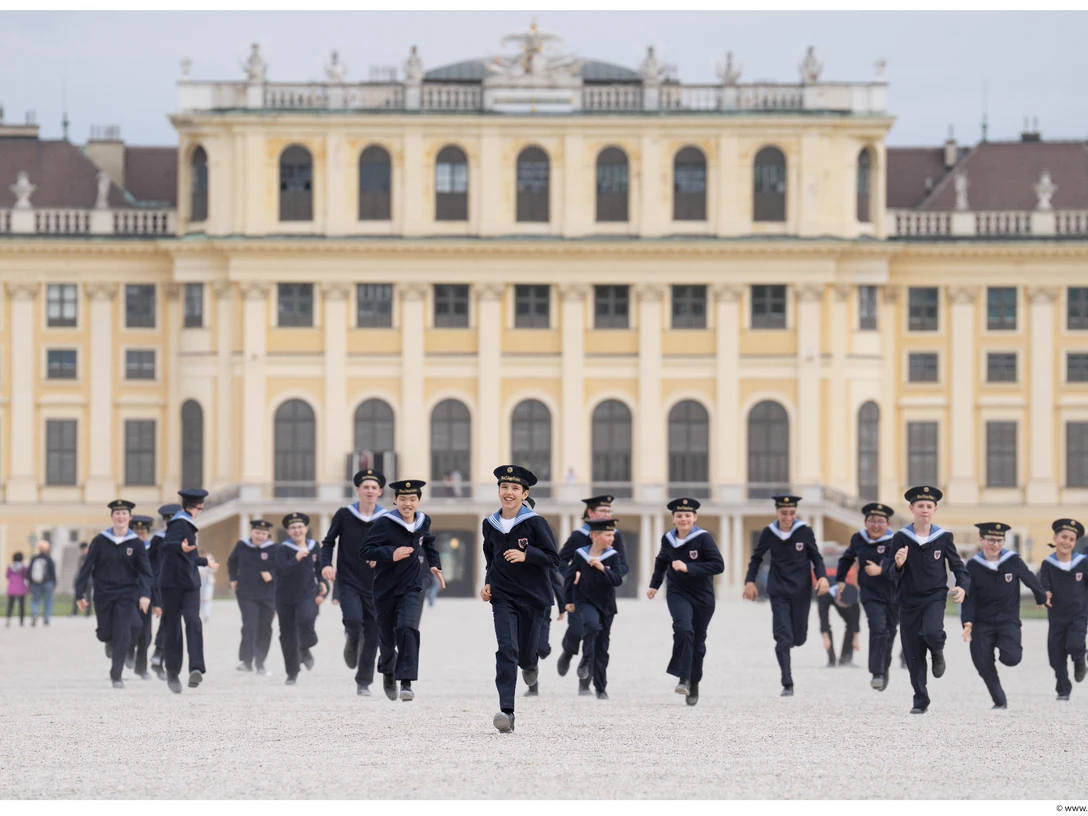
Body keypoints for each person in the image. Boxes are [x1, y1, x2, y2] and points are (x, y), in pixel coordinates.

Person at [480, 466, 560, 732]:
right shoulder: (489, 524)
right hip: (503, 597)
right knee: (506, 650)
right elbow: (490, 560)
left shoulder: (535, 523)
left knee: (524, 656)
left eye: (515, 489)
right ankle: (507, 711)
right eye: (504, 487)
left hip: (533, 598)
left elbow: (553, 558)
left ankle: (531, 663)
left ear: (524, 494)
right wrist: (488, 584)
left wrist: (528, 555)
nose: (509, 493)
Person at [887, 485, 969, 714]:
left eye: (929, 506)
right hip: (908, 600)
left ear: (935, 510)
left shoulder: (943, 537)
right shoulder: (901, 537)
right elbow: (889, 572)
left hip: (934, 597)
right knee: (913, 653)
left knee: (931, 633)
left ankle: (937, 651)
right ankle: (920, 700)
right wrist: (898, 563)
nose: (924, 510)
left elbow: (957, 566)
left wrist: (962, 586)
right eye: (920, 506)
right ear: (911, 508)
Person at [361, 480, 444, 703]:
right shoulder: (383, 523)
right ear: (395, 500)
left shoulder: (423, 520)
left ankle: (406, 681)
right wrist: (391, 553)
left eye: (413, 499)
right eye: (403, 499)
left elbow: (428, 542)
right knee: (387, 640)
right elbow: (365, 550)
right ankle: (388, 670)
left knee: (408, 628)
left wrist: (435, 564)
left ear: (418, 501)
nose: (408, 504)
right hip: (385, 589)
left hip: (412, 586)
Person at [743, 495, 830, 696]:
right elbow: (756, 559)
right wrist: (749, 582)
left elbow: (816, 557)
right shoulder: (769, 532)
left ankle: (790, 640)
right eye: (784, 513)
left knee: (799, 638)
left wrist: (822, 577)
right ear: (777, 513)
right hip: (778, 589)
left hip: (801, 590)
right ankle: (787, 682)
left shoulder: (805, 532)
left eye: (791, 513)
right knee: (783, 637)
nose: (788, 517)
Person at [961, 521, 1047, 709]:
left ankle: (1004, 650)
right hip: (982, 622)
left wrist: (1040, 597)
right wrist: (967, 622)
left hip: (1007, 620)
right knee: (982, 663)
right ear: (981, 540)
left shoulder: (1012, 560)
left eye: (1000, 540)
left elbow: (1029, 577)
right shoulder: (973, 566)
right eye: (991, 540)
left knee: (1011, 658)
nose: (996, 545)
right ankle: (999, 700)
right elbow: (970, 598)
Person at [647, 497, 724, 706]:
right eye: (679, 516)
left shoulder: (704, 539)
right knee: (683, 629)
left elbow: (718, 565)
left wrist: (690, 567)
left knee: (698, 643)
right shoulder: (668, 539)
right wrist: (654, 585)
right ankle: (683, 678)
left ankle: (694, 682)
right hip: (677, 592)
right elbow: (662, 561)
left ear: (695, 518)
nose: (683, 519)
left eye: (688, 515)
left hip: (703, 596)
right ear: (673, 518)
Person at [321, 468, 386, 696]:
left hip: (378, 584)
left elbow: (395, 547)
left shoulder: (387, 518)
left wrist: (382, 557)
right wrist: (326, 565)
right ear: (358, 490)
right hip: (348, 579)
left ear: (380, 492)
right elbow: (328, 542)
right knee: (354, 621)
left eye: (373, 488)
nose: (369, 491)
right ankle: (351, 639)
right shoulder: (344, 514)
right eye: (365, 487)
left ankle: (363, 682)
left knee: (374, 632)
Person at [74, 500, 152, 688]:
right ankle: (108, 641)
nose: (121, 517)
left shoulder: (136, 543)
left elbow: (145, 571)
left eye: (124, 514)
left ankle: (116, 675)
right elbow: (86, 568)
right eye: (117, 514)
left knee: (124, 631)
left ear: (130, 517)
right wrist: (79, 594)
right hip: (103, 593)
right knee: (105, 633)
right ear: (112, 517)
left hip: (127, 593)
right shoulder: (100, 541)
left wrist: (144, 594)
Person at [555, 495, 629, 684]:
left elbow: (623, 565)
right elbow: (561, 560)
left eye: (608, 511)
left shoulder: (614, 536)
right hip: (580, 593)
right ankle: (569, 651)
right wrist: (573, 575)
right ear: (590, 513)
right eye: (602, 511)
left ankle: (585, 681)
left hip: (602, 594)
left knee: (595, 633)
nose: (606, 514)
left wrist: (611, 572)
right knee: (578, 630)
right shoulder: (578, 536)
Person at [158, 488, 217, 694]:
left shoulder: (187, 523)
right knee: (174, 627)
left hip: (190, 584)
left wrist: (203, 561)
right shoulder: (178, 522)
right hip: (172, 585)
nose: (197, 509)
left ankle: (195, 668)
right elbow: (167, 546)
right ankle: (173, 673)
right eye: (196, 506)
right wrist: (179, 548)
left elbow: (188, 556)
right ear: (193, 507)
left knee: (193, 621)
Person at [835, 502, 898, 691]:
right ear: (865, 522)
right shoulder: (859, 539)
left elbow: (901, 564)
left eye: (880, 521)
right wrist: (840, 580)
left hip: (895, 593)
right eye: (872, 521)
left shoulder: (896, 540)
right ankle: (876, 672)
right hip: (870, 594)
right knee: (878, 629)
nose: (876, 525)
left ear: (887, 523)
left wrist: (882, 569)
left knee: (890, 632)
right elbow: (846, 558)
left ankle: (884, 666)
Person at [564, 517, 625, 700]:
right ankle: (586, 659)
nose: (612, 539)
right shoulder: (580, 554)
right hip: (585, 601)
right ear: (594, 536)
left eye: (612, 535)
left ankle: (600, 687)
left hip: (606, 605)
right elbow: (569, 577)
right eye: (608, 535)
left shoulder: (613, 556)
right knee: (591, 626)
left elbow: (617, 579)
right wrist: (568, 600)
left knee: (602, 647)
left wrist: (602, 568)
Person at [275, 513, 328, 685]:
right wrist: (295, 560)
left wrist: (323, 584)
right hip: (285, 598)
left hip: (307, 595)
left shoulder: (314, 546)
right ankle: (292, 673)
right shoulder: (283, 549)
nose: (297, 530)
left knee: (306, 621)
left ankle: (305, 647)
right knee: (287, 635)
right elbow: (280, 572)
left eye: (300, 527)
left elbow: (320, 568)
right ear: (288, 531)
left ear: (306, 529)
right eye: (293, 528)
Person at [1039, 518, 1088, 701]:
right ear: (1055, 537)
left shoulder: (1082, 563)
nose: (1067, 542)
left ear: (1075, 543)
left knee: (1075, 644)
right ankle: (1063, 689)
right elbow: (1043, 584)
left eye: (1071, 539)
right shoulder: (1048, 564)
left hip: (1078, 615)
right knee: (1055, 656)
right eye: (1063, 537)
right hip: (1057, 617)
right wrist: (1045, 594)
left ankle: (1080, 659)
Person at [228, 519, 277, 675]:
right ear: (251, 532)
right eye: (257, 532)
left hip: (268, 595)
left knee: (265, 628)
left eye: (263, 533)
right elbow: (231, 562)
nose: (260, 536)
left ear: (267, 534)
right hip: (246, 593)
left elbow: (283, 567)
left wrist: (272, 574)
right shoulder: (242, 546)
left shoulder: (275, 548)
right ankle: (246, 661)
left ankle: (260, 662)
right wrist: (233, 579)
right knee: (249, 626)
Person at [148, 503, 180, 680]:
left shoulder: (184, 538)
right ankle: (159, 653)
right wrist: (155, 599)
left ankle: (159, 656)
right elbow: (149, 565)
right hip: (161, 585)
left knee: (171, 624)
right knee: (169, 622)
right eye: (168, 521)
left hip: (179, 586)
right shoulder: (158, 540)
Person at [127, 515, 158, 679]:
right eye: (137, 533)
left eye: (143, 533)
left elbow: (156, 575)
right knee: (133, 626)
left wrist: (157, 601)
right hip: (130, 594)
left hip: (147, 594)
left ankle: (141, 668)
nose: (140, 536)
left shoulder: (152, 550)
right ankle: (129, 649)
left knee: (146, 635)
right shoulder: (127, 549)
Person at [818, 558, 860, 668]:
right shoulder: (824, 595)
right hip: (829, 593)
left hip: (844, 596)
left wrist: (856, 638)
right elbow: (824, 620)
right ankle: (831, 660)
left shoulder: (852, 596)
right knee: (827, 629)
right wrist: (825, 637)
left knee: (851, 624)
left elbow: (856, 620)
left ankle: (845, 658)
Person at [27, 541, 57, 626]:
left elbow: (29, 572)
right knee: (48, 601)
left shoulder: (34, 558)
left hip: (35, 583)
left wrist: (30, 583)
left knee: (35, 600)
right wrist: (54, 583)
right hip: (48, 582)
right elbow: (52, 572)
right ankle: (46, 619)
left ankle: (34, 614)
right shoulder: (49, 559)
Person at [5, 552, 28, 626]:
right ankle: (21, 621)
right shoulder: (23, 567)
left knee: (10, 605)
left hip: (12, 588)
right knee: (21, 606)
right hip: (21, 588)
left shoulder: (10, 567)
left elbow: (7, 576)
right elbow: (25, 575)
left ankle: (8, 619)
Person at [70, 543, 91, 617]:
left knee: (88, 596)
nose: (83, 550)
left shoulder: (90, 557)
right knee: (77, 594)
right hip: (81, 578)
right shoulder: (81, 557)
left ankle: (88, 612)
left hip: (88, 578)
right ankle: (75, 611)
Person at [198, 551, 218, 623]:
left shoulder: (210, 558)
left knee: (207, 599)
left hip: (208, 580)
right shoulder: (197, 558)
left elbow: (214, 568)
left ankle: (206, 614)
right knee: (200, 599)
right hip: (200, 580)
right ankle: (200, 614)